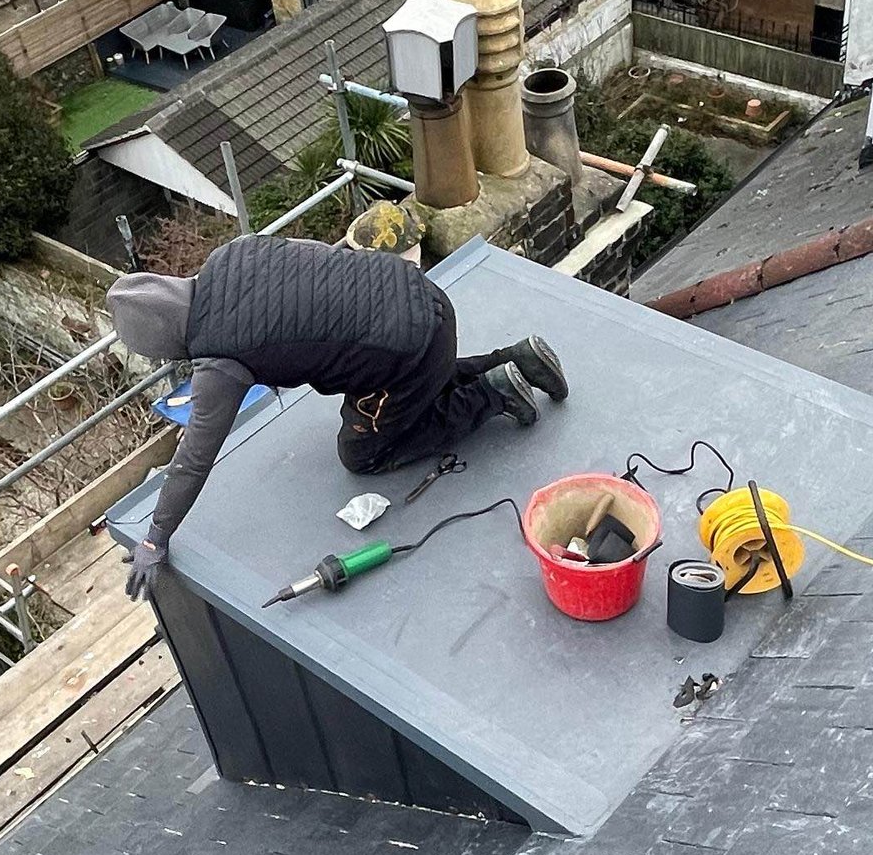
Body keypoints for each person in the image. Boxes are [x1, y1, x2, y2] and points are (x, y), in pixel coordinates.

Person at [109, 232, 566, 597]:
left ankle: (493, 394)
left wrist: (156, 538)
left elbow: (193, 459)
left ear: (165, 343)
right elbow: (318, 262)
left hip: (411, 350)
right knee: (401, 379)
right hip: (423, 295)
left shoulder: (221, 365)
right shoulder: (235, 252)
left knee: (362, 451)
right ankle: (517, 358)